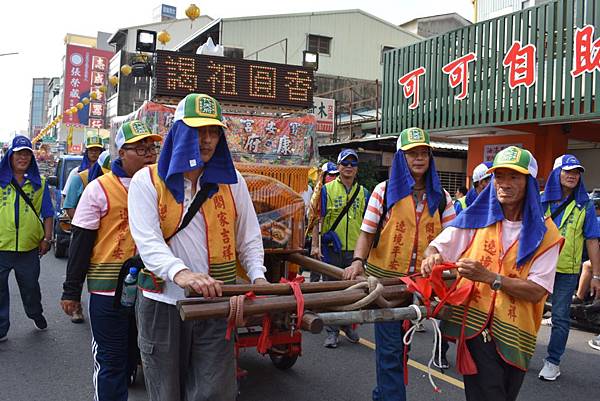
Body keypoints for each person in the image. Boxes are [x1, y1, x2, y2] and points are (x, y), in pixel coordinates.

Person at [128, 93, 268, 401]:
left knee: (215, 390)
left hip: (216, 303)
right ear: (180, 132)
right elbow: (148, 241)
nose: (207, 140)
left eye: (213, 131)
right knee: (165, 391)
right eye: (198, 131)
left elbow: (249, 237)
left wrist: (258, 276)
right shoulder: (146, 181)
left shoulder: (233, 183)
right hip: (163, 302)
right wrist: (182, 274)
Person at [422, 146, 562, 401]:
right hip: (476, 326)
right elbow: (438, 245)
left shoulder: (547, 234)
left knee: (505, 394)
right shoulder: (476, 217)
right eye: (499, 176)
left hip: (517, 331)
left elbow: (537, 290)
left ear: (529, 183)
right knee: (489, 395)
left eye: (514, 177)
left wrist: (490, 278)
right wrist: (432, 255)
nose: (504, 184)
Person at [343, 127, 455, 401]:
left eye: (423, 153)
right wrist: (358, 261)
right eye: (411, 154)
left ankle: (383, 395)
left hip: (422, 285)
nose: (418, 159)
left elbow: (454, 239)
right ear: (401, 158)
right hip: (386, 288)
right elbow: (367, 233)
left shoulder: (441, 197)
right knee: (391, 349)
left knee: (401, 349)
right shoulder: (383, 192)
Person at [59, 120, 161, 400]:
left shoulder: (164, 187)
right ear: (122, 153)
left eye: (152, 148)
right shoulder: (99, 188)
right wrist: (71, 291)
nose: (150, 154)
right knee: (111, 360)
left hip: (155, 289)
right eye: (141, 149)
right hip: (108, 291)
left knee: (151, 359)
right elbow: (81, 243)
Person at [537, 154, 600, 380]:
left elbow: (592, 240)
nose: (573, 176)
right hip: (538, 267)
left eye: (576, 172)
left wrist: (597, 275)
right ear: (557, 173)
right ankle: (519, 353)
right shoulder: (540, 200)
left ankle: (553, 361)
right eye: (568, 171)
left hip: (567, 270)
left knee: (560, 316)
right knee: (528, 310)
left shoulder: (585, 206)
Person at [311, 149, 369, 348]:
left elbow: (369, 225)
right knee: (333, 291)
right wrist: (316, 246)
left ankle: (349, 326)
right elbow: (317, 220)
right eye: (345, 164)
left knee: (353, 292)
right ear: (338, 166)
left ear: (357, 169)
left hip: (355, 252)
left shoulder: (363, 193)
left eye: (353, 164)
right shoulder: (326, 190)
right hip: (331, 249)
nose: (349, 168)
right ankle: (332, 331)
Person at [0, 136, 54, 342]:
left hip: (29, 248)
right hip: (1, 247)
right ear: (10, 156)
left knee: (30, 287)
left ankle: (35, 313)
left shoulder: (39, 183)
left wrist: (47, 239)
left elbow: (48, 213)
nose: (23, 157)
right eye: (18, 153)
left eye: (27, 154)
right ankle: (1, 328)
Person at [62, 133, 105, 324]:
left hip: (106, 232)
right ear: (87, 152)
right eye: (92, 150)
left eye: (98, 150)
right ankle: (76, 305)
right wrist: (82, 226)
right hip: (83, 230)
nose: (95, 153)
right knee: (78, 267)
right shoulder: (78, 175)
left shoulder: (108, 173)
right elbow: (69, 204)